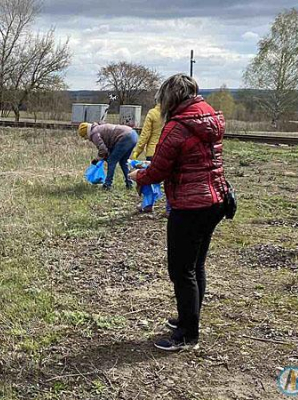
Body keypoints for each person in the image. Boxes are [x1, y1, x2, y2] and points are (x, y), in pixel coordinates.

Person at [128, 74, 228, 351]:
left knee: (181, 270)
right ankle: (189, 319)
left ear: (170, 98)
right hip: (215, 200)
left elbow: (159, 168)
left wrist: (139, 175)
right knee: (195, 265)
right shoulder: (208, 117)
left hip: (191, 204)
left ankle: (187, 334)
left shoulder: (177, 126)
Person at [78, 121, 139, 190]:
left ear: (86, 133)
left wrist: (97, 159)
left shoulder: (94, 134)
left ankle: (108, 184)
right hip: (133, 135)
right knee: (123, 162)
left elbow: (103, 149)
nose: (85, 139)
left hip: (125, 137)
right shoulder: (98, 128)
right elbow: (109, 145)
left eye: (84, 136)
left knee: (111, 161)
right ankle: (129, 183)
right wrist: (104, 156)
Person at [131, 93, 166, 213]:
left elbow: (145, 134)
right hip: (168, 151)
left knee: (150, 180)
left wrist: (137, 151)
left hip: (153, 152)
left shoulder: (152, 113)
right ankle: (170, 209)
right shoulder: (171, 113)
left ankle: (147, 205)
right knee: (171, 181)